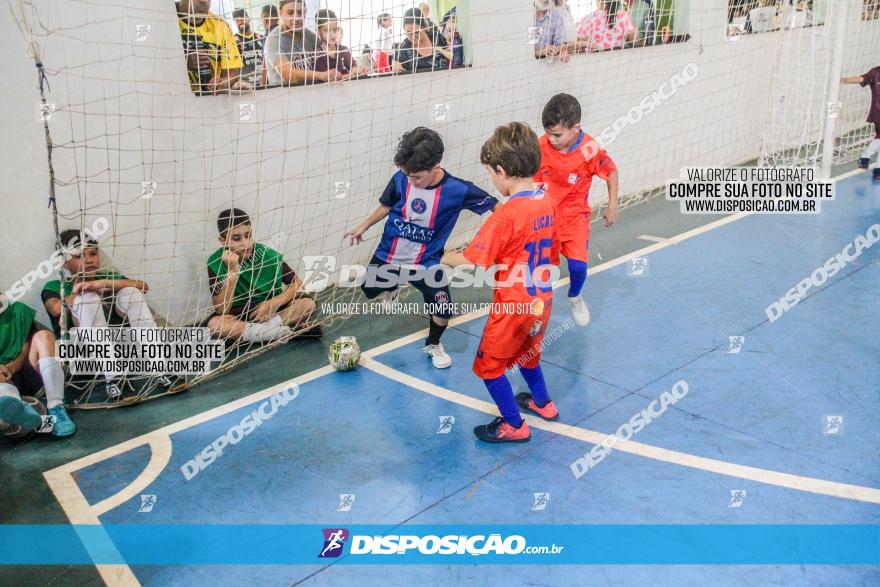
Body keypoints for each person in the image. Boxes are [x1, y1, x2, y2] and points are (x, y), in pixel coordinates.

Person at [441, 122, 560, 443]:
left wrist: (445, 256)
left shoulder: (506, 215)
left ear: (501, 170)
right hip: (541, 301)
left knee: (490, 369)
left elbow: (474, 260)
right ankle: (544, 404)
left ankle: (514, 425)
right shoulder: (547, 202)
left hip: (512, 307)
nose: (492, 181)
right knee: (528, 356)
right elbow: (553, 254)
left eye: (491, 174)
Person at [344, 128, 497, 369]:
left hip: (427, 262)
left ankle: (433, 344)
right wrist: (363, 226)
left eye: (416, 177)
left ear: (436, 166)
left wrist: (509, 228)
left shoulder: (458, 190)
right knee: (369, 290)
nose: (410, 180)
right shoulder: (400, 179)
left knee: (444, 309)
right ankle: (393, 286)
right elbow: (386, 205)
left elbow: (495, 206)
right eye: (407, 174)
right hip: (389, 254)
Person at [40, 230, 176, 399]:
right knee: (87, 300)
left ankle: (160, 367)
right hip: (83, 359)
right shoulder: (55, 286)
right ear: (64, 263)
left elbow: (143, 286)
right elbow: (55, 308)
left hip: (125, 350)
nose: (89, 260)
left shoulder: (107, 276)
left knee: (130, 293)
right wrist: (81, 288)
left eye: (93, 253)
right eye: (79, 256)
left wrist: (103, 284)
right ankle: (114, 379)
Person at [535, 93, 619, 326]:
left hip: (574, 218)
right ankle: (536, 312)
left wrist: (613, 205)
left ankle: (575, 296)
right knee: (540, 271)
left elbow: (611, 171)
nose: (551, 139)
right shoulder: (541, 145)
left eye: (557, 134)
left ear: (575, 128)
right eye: (548, 133)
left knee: (578, 266)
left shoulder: (590, 149)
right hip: (545, 218)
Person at [205, 209, 319, 342]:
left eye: (248, 235)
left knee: (307, 304)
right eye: (237, 238)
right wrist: (232, 272)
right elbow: (221, 310)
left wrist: (274, 303)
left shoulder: (267, 254)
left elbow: (298, 284)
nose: (246, 243)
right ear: (223, 240)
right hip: (240, 315)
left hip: (273, 311)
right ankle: (276, 332)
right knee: (215, 325)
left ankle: (260, 333)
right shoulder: (215, 262)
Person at [0, 295, 75, 437]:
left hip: (33, 374)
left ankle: (56, 408)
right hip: (5, 383)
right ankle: (22, 415)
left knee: (44, 336)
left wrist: (11, 367)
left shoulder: (17, 309)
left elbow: (25, 346)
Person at [176, 0, 248, 95]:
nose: (204, 1)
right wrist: (183, 62)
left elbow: (232, 74)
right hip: (174, 99)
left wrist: (221, 83)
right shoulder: (163, 18)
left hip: (210, 101)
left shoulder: (221, 26)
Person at [264, 0, 337, 86]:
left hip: (310, 93)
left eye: (300, 12)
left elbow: (331, 57)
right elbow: (289, 76)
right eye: (290, 13)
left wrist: (352, 67)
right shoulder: (274, 39)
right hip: (284, 96)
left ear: (305, 13)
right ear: (280, 13)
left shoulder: (310, 36)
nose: (297, 18)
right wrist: (322, 75)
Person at [842, 65, 880, 178]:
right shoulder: (875, 72)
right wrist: (844, 80)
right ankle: (866, 158)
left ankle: (874, 165)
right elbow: (861, 79)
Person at [313, 8, 367, 79]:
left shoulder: (344, 50)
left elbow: (353, 67)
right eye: (327, 30)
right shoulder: (317, 55)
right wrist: (350, 75)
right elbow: (328, 80)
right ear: (318, 31)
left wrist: (358, 71)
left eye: (335, 30)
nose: (332, 35)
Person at [395, 7, 452, 73]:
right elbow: (395, 64)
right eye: (408, 33)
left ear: (423, 27)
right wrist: (395, 66)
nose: (413, 37)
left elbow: (452, 56)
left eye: (416, 32)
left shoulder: (437, 37)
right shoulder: (403, 48)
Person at [233, 8, 265, 87]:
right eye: (237, 20)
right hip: (244, 86)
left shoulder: (261, 38)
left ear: (249, 18)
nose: (240, 21)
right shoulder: (232, 41)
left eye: (242, 18)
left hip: (264, 83)